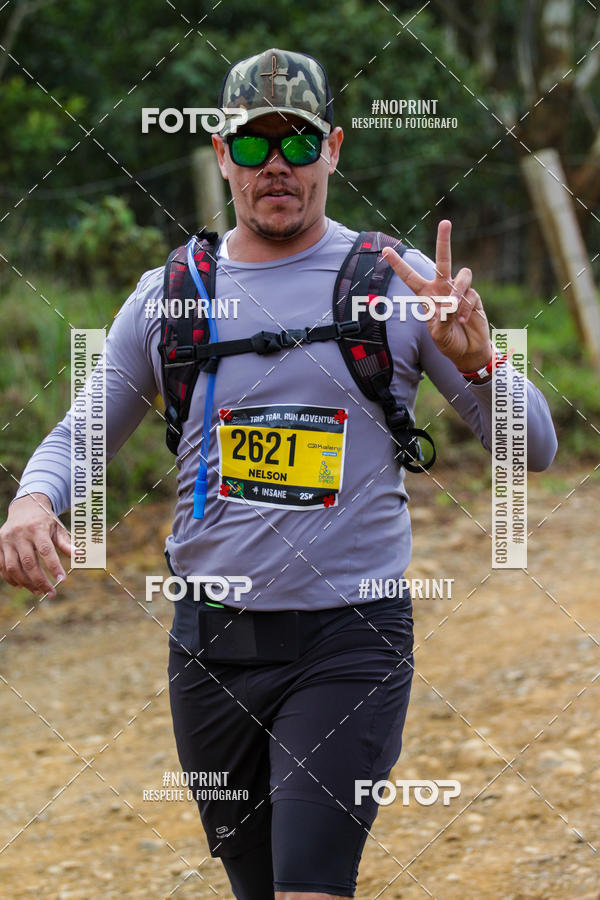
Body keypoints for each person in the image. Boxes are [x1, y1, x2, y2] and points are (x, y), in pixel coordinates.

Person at [0, 48, 557, 900]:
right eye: (253, 146)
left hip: (351, 642)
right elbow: (84, 432)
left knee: (309, 888)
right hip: (211, 647)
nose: (276, 169)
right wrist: (35, 502)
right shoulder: (170, 295)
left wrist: (481, 364)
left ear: (332, 149)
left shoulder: (402, 286)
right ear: (223, 153)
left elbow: (538, 449)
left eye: (297, 146)